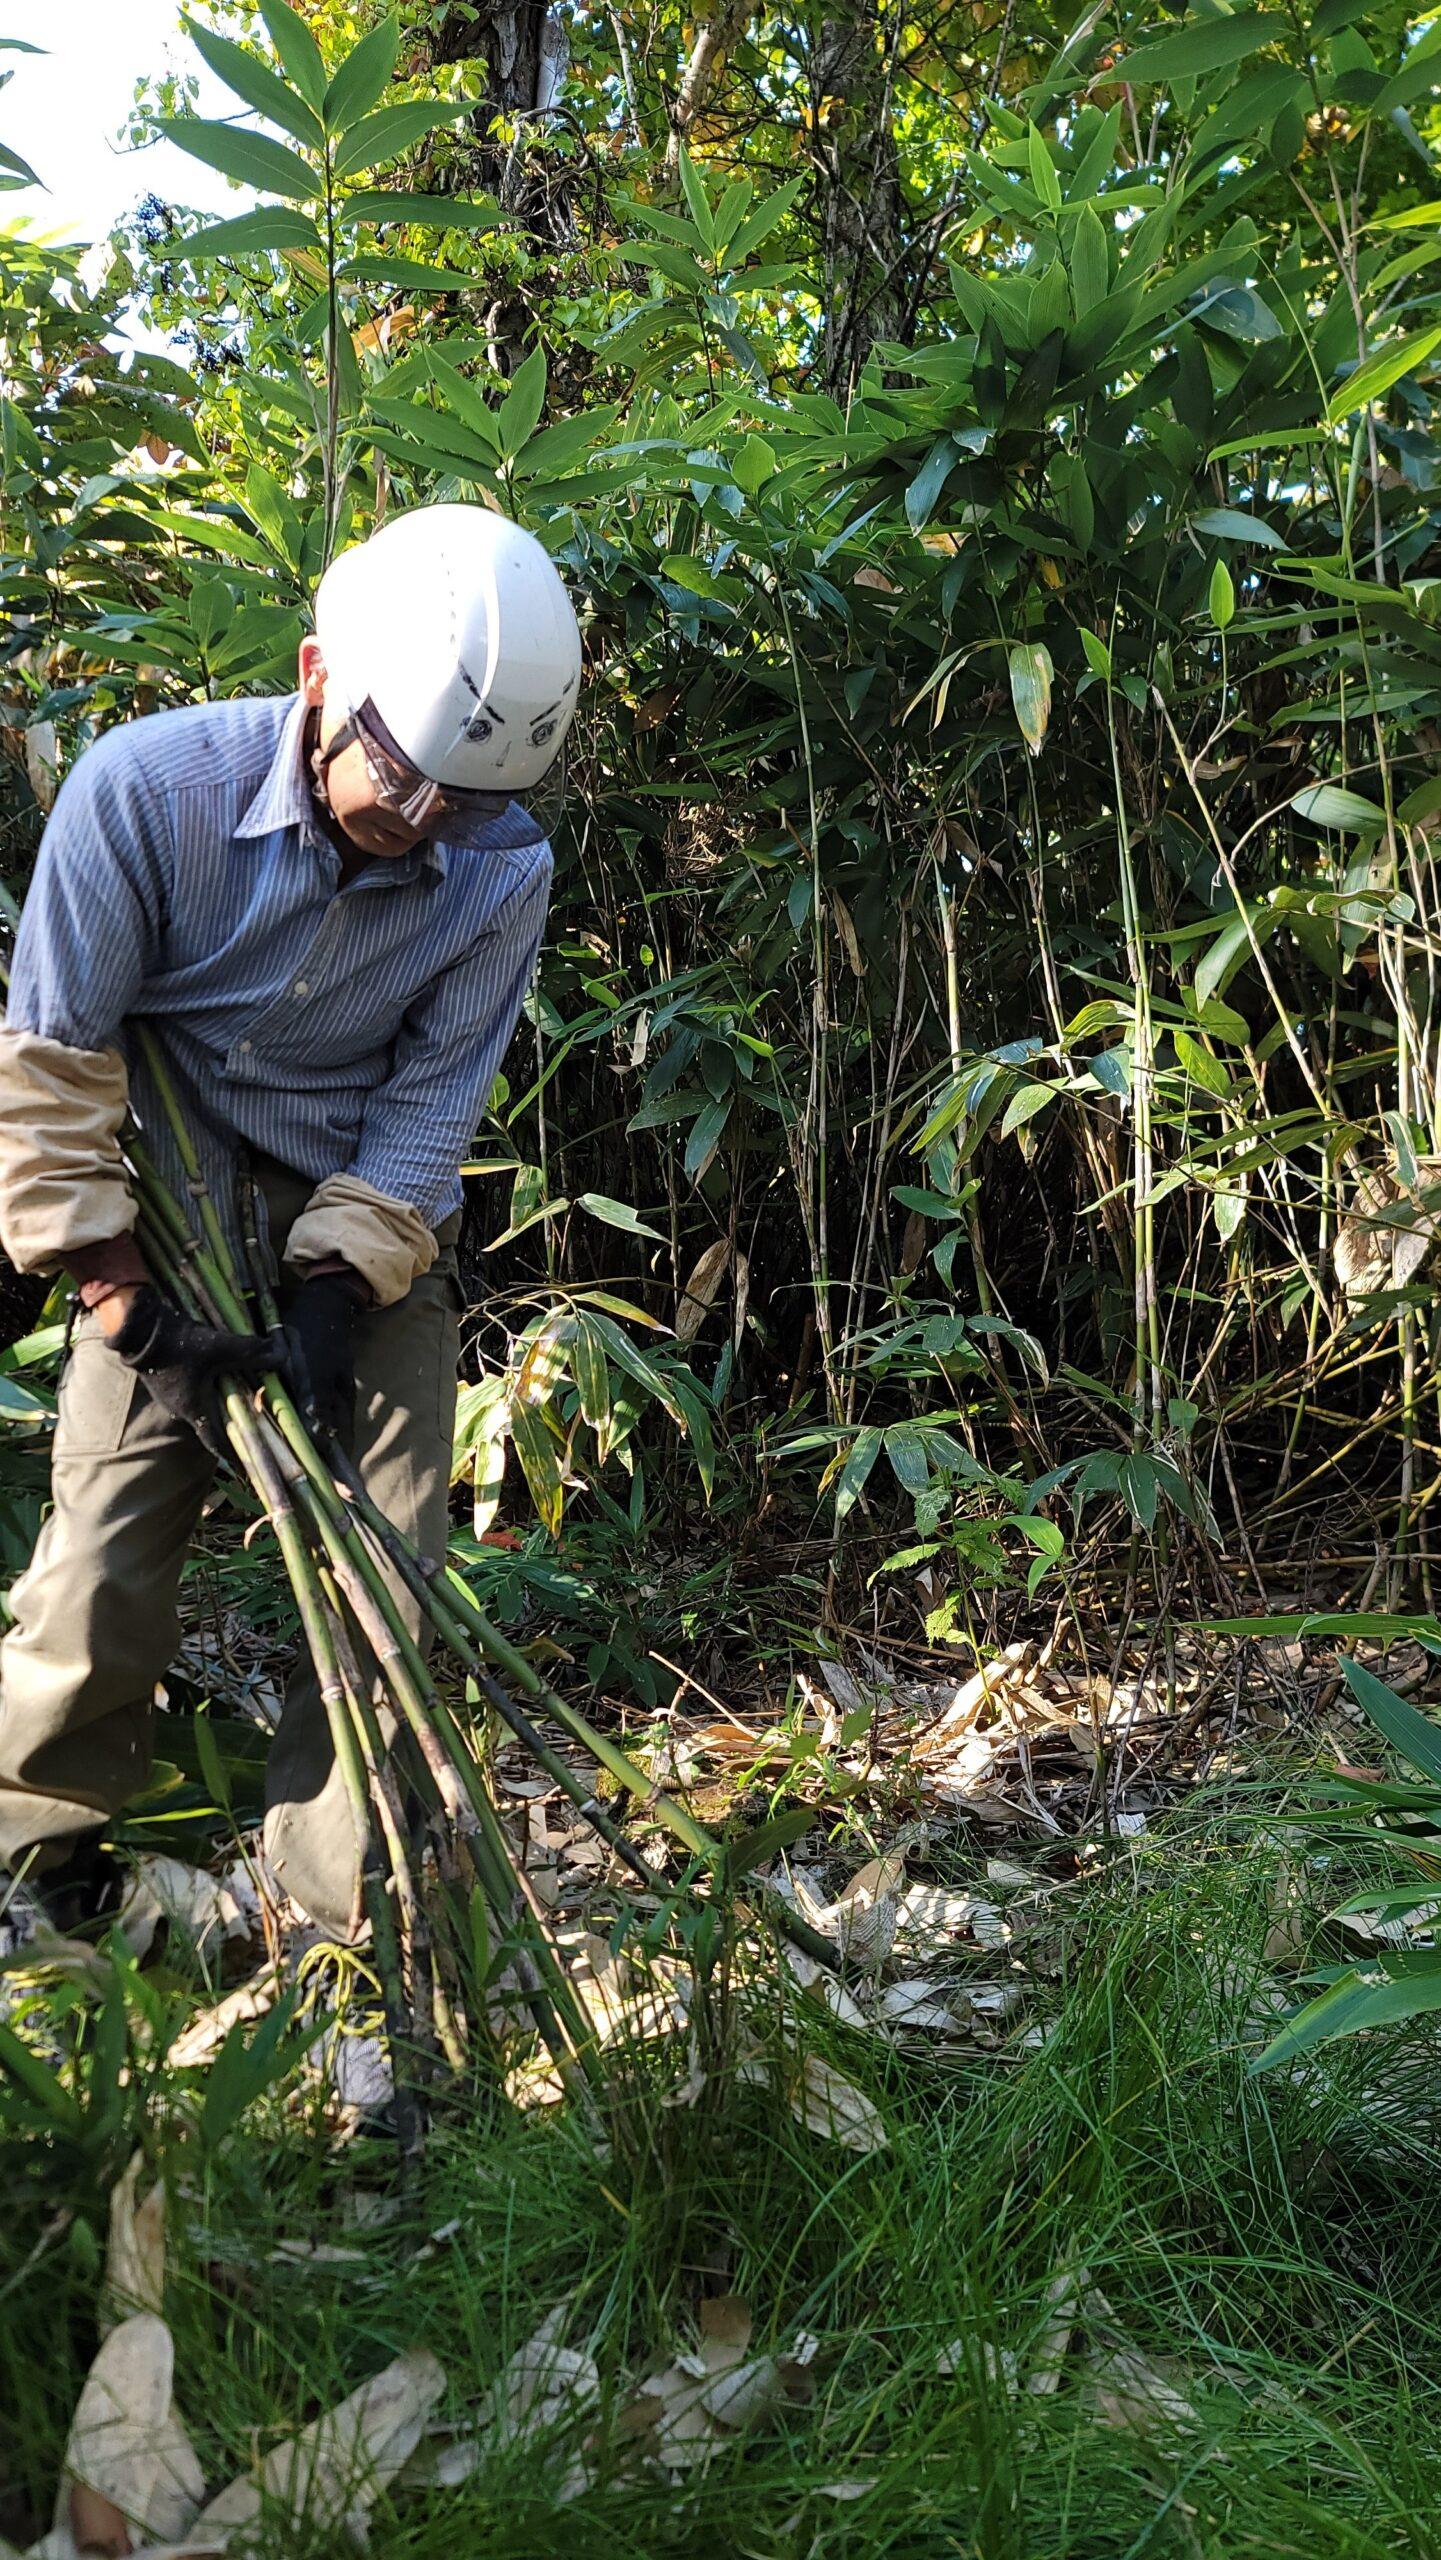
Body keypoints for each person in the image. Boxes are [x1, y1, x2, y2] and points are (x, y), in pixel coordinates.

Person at [0, 501, 582, 1937]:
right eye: (409, 776)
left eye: (470, 801)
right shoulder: (146, 794)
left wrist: (337, 1292)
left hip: (359, 1213)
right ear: (320, 678)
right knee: (99, 1564)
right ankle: (36, 1880)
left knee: (385, 1579)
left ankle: (338, 1927)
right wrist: (129, 1309)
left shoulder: (501, 864)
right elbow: (54, 1069)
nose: (429, 821)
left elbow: (433, 1105)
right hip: (158, 1208)